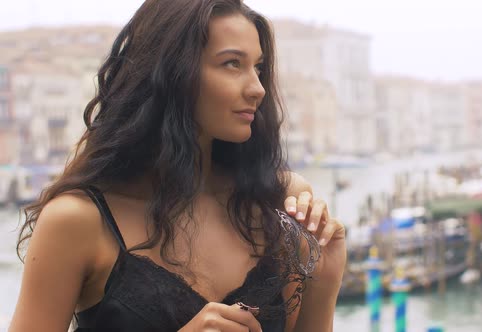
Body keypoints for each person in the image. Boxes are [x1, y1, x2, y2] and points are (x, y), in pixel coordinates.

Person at [9, 0, 346, 331]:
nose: (258, 89)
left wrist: (325, 279)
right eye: (232, 64)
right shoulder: (76, 221)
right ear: (171, 73)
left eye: (258, 68)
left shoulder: (281, 204)